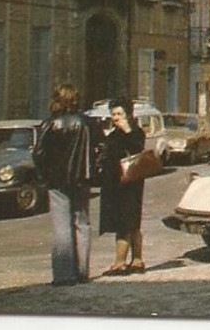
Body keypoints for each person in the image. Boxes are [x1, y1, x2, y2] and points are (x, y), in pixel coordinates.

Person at [33, 83, 93, 286]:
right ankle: (83, 272)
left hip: (57, 182)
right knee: (82, 224)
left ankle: (63, 275)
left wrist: (45, 175)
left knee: (61, 227)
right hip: (82, 180)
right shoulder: (86, 123)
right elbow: (99, 149)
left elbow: (39, 153)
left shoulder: (49, 124)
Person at [98, 98, 148, 274]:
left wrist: (127, 130)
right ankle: (136, 261)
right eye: (113, 114)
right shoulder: (112, 135)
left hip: (131, 182)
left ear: (128, 114)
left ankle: (120, 263)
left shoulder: (135, 132)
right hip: (117, 184)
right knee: (130, 223)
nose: (116, 117)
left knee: (127, 224)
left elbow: (137, 149)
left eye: (119, 114)